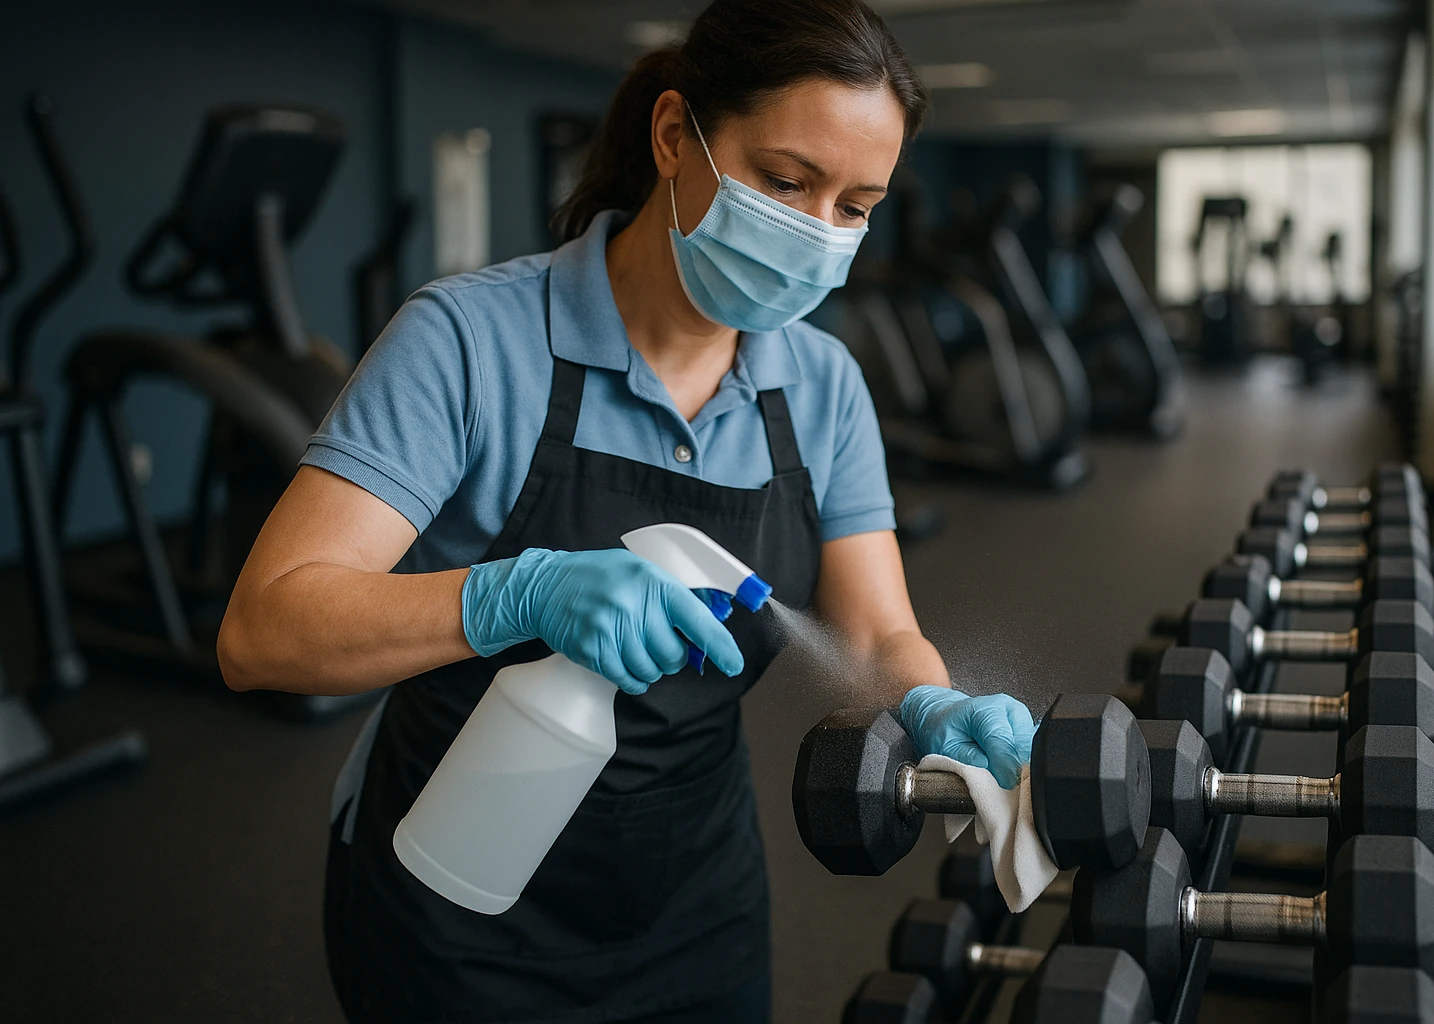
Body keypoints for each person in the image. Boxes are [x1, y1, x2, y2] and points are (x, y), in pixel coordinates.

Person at [217, 0, 1037, 1020]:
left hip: (693, 896)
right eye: (787, 181)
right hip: (458, 898)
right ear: (672, 138)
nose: (818, 232)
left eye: (856, 205)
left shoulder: (822, 386)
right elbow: (263, 630)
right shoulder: (470, 342)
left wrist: (933, 705)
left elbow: (874, 630)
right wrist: (513, 593)